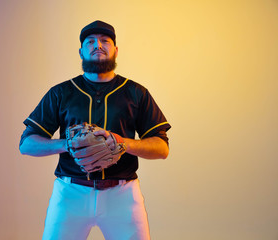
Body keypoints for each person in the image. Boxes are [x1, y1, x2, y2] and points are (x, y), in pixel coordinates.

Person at [19, 20, 171, 240]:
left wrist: (123, 143)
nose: (97, 45)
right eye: (90, 41)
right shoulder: (61, 92)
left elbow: (162, 147)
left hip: (123, 193)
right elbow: (26, 144)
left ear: (116, 50)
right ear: (81, 51)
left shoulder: (136, 92)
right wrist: (67, 145)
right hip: (70, 192)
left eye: (105, 41)